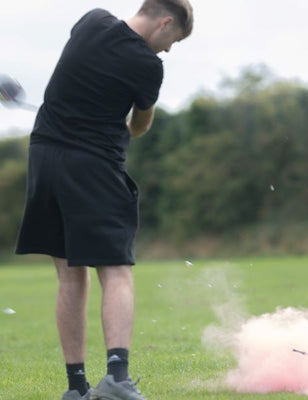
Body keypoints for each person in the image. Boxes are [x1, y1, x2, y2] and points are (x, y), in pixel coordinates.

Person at [15, 1, 193, 399]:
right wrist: (126, 126)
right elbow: (141, 124)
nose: (166, 50)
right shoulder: (148, 66)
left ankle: (76, 387)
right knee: (115, 269)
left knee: (68, 273)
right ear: (165, 22)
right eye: (171, 41)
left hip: (44, 157)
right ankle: (117, 378)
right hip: (93, 165)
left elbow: (78, 78)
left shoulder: (91, 20)